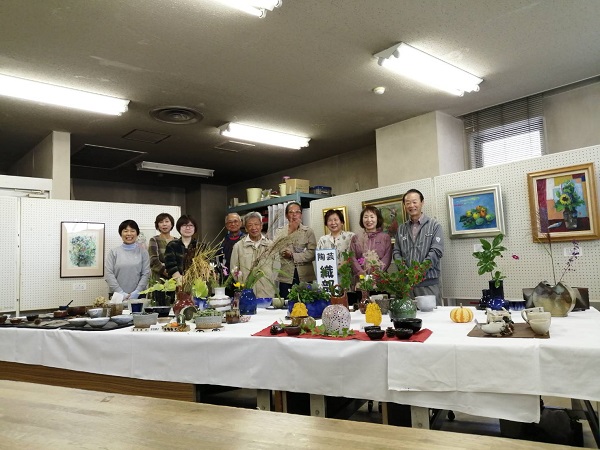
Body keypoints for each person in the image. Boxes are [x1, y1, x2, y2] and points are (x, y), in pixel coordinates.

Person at [393, 188, 444, 305]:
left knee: (432, 319)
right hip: (406, 285)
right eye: (408, 203)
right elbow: (396, 252)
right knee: (408, 319)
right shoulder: (401, 228)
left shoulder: (434, 225)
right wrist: (405, 270)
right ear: (405, 206)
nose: (411, 205)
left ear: (422, 202)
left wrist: (419, 271)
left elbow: (437, 251)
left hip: (428, 284)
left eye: (415, 202)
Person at [275, 202, 316, 299]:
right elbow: (281, 250)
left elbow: (312, 253)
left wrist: (293, 256)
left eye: (297, 212)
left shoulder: (308, 231)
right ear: (286, 215)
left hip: (305, 275)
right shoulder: (280, 231)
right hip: (286, 275)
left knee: (307, 302)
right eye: (291, 212)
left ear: (301, 214)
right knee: (286, 303)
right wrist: (291, 230)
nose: (294, 215)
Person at [230, 212, 275, 298]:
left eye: (256, 224)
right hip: (247, 292)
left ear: (261, 225)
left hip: (267, 293)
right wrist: (242, 282)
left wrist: (268, 280)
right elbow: (234, 269)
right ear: (246, 228)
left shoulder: (270, 245)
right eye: (250, 225)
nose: (253, 228)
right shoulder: (238, 246)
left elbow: (276, 267)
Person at [105, 220, 150, 299]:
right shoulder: (113, 252)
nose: (129, 234)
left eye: (132, 231)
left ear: (137, 233)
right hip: (116, 295)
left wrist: (137, 292)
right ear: (121, 233)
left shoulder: (143, 252)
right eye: (125, 231)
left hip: (139, 295)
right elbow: (109, 274)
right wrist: (120, 292)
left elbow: (146, 274)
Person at [350, 206, 392, 287]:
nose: (369, 220)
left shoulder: (385, 237)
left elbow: (387, 258)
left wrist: (376, 274)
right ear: (362, 219)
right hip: (361, 280)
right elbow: (352, 258)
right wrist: (361, 273)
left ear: (377, 219)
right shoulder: (355, 238)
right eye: (365, 217)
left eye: (372, 217)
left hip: (380, 280)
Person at [164, 215, 198, 280]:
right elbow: (170, 265)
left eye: (191, 225)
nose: (188, 228)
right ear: (179, 228)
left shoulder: (200, 246)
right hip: (176, 283)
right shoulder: (172, 245)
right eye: (184, 225)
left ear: (195, 228)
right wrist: (180, 279)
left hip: (196, 283)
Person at [219, 213, 245, 290]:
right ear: (226, 225)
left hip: (243, 278)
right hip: (226, 279)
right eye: (230, 222)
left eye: (235, 221)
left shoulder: (246, 240)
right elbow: (219, 261)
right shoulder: (222, 242)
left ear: (241, 223)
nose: (233, 224)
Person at [148, 213, 175, 284]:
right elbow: (153, 260)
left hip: (175, 279)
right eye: (161, 222)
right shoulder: (154, 239)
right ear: (157, 225)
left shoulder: (177, 241)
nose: (164, 224)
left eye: (167, 221)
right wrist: (168, 272)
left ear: (171, 224)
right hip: (159, 280)